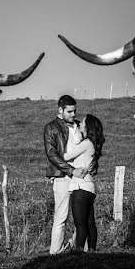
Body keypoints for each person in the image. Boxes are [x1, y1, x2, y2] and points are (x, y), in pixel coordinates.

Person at [43, 95, 86, 254]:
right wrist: (71, 170)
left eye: (75, 111)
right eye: (69, 111)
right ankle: (55, 252)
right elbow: (51, 154)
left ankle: (79, 248)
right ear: (60, 110)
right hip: (63, 176)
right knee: (61, 216)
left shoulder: (79, 125)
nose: (73, 114)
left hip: (82, 176)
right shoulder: (51, 128)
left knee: (82, 215)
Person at [64, 114, 105, 251]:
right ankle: (92, 251)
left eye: (83, 122)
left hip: (80, 187)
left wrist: (54, 154)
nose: (80, 123)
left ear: (88, 127)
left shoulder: (86, 143)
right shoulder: (91, 144)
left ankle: (79, 252)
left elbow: (67, 156)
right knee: (89, 222)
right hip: (89, 188)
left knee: (80, 224)